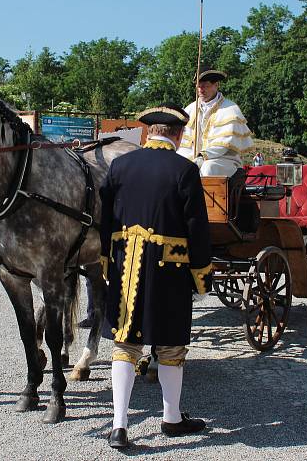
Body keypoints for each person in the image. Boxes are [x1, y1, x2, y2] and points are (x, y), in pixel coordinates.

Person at [100, 103, 213, 449]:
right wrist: (201, 275)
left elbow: (105, 219)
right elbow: (197, 227)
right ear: (178, 134)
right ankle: (171, 418)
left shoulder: (119, 165)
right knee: (170, 348)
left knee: (125, 344)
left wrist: (108, 260)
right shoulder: (185, 169)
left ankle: (119, 426)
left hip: (125, 268)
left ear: (149, 132)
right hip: (170, 270)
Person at [178, 66, 254, 176]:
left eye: (205, 86)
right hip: (194, 159)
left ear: (216, 85)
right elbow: (183, 144)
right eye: (198, 86)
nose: (200, 90)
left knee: (208, 168)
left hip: (223, 160)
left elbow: (223, 144)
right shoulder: (190, 109)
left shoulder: (230, 109)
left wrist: (202, 157)